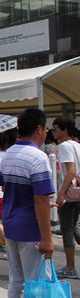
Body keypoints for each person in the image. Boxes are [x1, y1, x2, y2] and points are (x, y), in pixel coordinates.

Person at [0, 108, 55, 298]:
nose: (47, 132)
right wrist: (47, 238)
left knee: (16, 280)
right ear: (39, 129)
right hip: (31, 228)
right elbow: (40, 199)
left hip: (10, 223)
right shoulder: (38, 157)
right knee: (37, 282)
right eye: (46, 128)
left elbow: (7, 188)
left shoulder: (7, 155)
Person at [52, 116, 80, 279]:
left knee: (67, 229)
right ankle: (70, 266)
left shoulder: (64, 146)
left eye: (56, 128)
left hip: (70, 193)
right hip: (78, 191)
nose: (53, 131)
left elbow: (70, 171)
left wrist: (61, 193)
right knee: (75, 225)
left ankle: (70, 267)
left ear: (65, 130)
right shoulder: (77, 144)